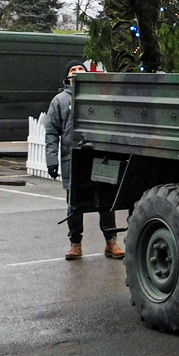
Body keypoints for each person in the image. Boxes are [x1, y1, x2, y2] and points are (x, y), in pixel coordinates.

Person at [45, 61, 124, 260]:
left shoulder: (98, 98)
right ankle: (75, 244)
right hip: (73, 160)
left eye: (81, 69)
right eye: (73, 70)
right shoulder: (60, 101)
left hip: (98, 157)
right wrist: (52, 160)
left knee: (105, 200)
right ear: (66, 78)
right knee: (75, 203)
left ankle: (111, 242)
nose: (78, 72)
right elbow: (52, 132)